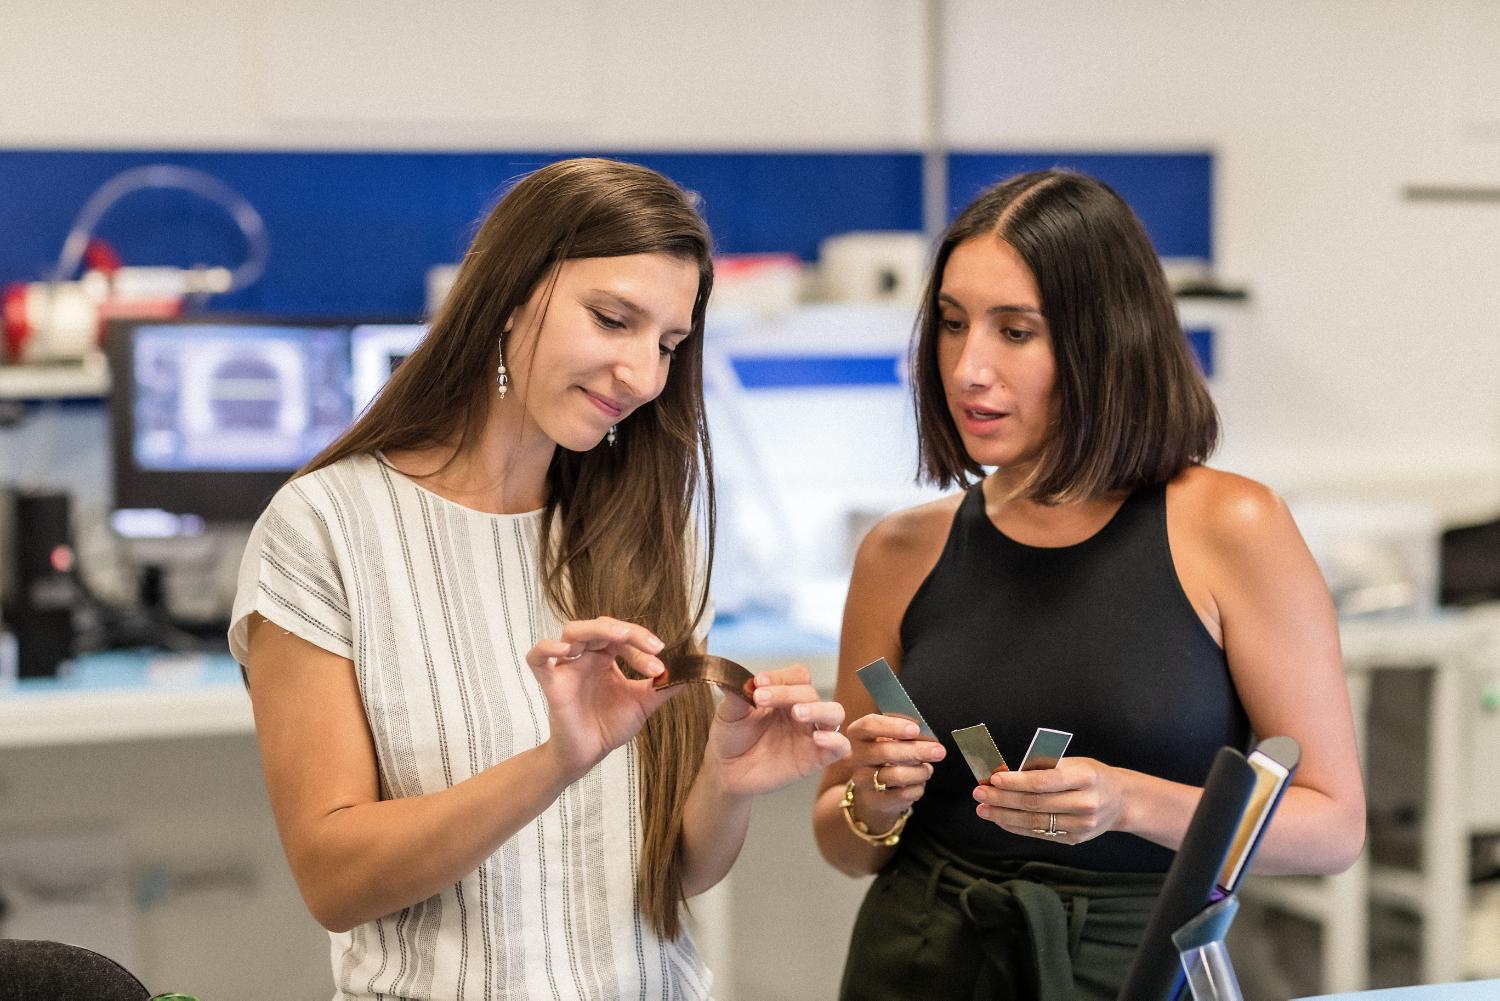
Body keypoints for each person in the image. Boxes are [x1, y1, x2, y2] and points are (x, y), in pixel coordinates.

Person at [230, 157, 850, 1000]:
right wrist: (555, 761)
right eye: (612, 319)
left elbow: (679, 875)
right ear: (510, 294)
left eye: (667, 344)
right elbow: (334, 880)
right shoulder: (326, 527)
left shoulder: (640, 526)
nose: (642, 375)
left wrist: (724, 779)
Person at [812, 169, 1365, 1000]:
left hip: (1132, 967)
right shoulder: (900, 550)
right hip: (918, 958)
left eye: (1016, 331)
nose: (969, 369)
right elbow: (847, 845)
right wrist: (874, 796)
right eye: (954, 326)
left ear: (1105, 339)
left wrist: (1130, 802)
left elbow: (1332, 826)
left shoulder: (1229, 527)